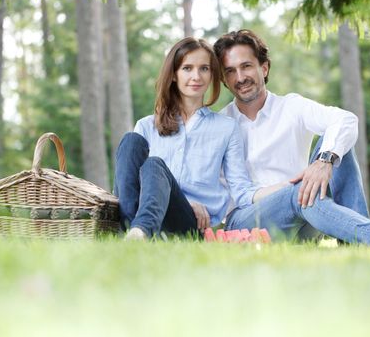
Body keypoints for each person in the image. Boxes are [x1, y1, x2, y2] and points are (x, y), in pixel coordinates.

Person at [213, 29, 370, 246]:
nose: (240, 77)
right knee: (297, 192)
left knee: (337, 144)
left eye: (246, 66)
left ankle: (357, 243)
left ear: (264, 67)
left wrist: (325, 160)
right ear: (223, 78)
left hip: (304, 219)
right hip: (246, 223)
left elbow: (346, 119)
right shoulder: (221, 126)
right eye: (230, 71)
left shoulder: (291, 106)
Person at [114, 37, 275, 240]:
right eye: (187, 68)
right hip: (146, 213)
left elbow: (240, 190)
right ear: (174, 74)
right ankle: (132, 231)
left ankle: (138, 233)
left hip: (189, 224)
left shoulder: (226, 128)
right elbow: (130, 186)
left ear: (212, 75)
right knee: (131, 141)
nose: (196, 76)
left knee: (155, 164)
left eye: (204, 69)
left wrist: (288, 188)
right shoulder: (146, 126)